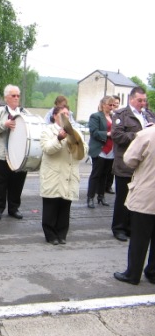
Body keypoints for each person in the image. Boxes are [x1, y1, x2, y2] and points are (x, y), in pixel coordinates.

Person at [111, 86, 155, 242]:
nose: (143, 103)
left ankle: (131, 227)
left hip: (144, 167)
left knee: (138, 200)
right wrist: (139, 135)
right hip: (125, 163)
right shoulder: (121, 114)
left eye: (144, 100)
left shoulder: (149, 115)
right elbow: (117, 136)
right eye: (139, 100)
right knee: (123, 197)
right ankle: (119, 227)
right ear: (131, 99)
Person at [39, 106, 88, 245]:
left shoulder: (76, 131)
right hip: (53, 174)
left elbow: (83, 151)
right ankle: (50, 235)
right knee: (51, 205)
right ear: (55, 116)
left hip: (70, 174)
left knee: (65, 205)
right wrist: (58, 139)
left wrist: (78, 143)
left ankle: (62, 234)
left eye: (68, 114)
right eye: (62, 114)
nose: (66, 116)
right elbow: (47, 149)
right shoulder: (47, 130)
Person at [114, 125, 155, 285]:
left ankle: (133, 274)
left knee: (139, 237)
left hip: (146, 193)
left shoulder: (147, 134)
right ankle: (152, 272)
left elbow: (130, 160)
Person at [0, 84, 27, 221]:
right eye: (13, 96)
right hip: (0, 154)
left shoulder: (24, 113)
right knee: (0, 183)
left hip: (19, 155)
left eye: (18, 96)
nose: (16, 98)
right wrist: (5, 124)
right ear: (6, 98)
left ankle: (14, 208)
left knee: (17, 183)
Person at [86, 96, 115, 209]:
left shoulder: (114, 117)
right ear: (103, 104)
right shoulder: (96, 116)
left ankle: (101, 196)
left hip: (111, 150)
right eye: (109, 105)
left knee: (105, 175)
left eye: (113, 105)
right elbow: (93, 132)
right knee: (96, 174)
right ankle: (90, 197)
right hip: (100, 149)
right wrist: (107, 134)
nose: (111, 107)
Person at [105, 95, 121, 194]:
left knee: (112, 168)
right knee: (105, 168)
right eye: (113, 104)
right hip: (107, 144)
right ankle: (102, 186)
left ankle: (109, 185)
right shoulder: (108, 115)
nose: (114, 106)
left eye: (116, 104)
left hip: (116, 145)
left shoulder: (120, 115)